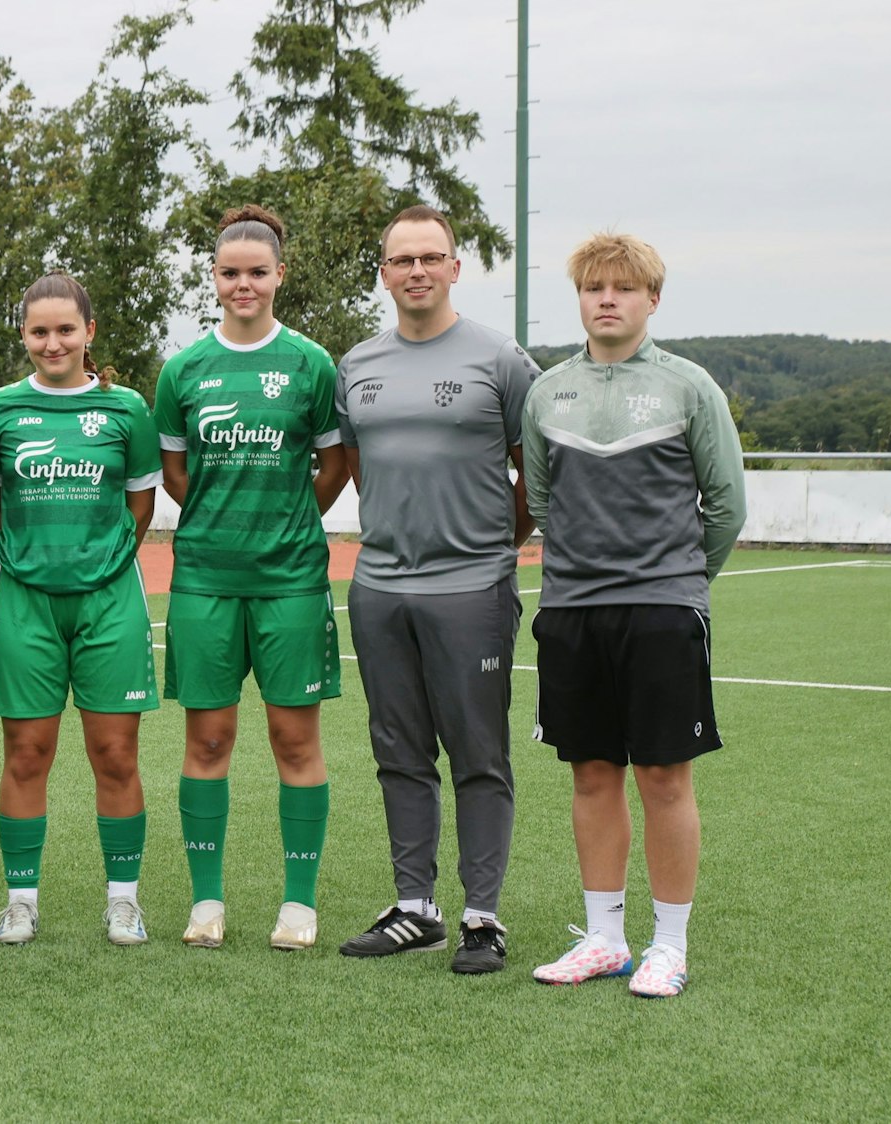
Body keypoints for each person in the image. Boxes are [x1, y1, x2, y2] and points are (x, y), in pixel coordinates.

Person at [523, 233, 744, 999]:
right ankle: (605, 940)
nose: (607, 299)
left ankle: (669, 946)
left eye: (623, 288)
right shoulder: (548, 392)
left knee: (662, 777)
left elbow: (726, 507)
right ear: (580, 298)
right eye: (594, 288)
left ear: (653, 298)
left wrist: (678, 581)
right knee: (591, 773)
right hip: (573, 612)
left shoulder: (689, 387)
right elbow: (546, 501)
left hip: (661, 611)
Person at [334, 204, 540, 974]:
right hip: (380, 586)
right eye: (401, 259)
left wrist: (493, 545)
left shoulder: (502, 358)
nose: (416, 270)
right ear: (384, 274)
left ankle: (481, 916)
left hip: (473, 587)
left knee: (477, 752)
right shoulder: (356, 365)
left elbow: (535, 471)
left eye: (431, 257)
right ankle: (413, 908)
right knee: (397, 749)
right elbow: (364, 469)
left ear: (456, 267)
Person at [154, 206, 350, 951]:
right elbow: (175, 473)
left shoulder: (311, 364)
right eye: (230, 272)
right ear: (214, 277)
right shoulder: (184, 370)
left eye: (257, 272)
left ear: (279, 276)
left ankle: (298, 905)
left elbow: (333, 468)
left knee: (294, 740)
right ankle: (207, 903)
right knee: (207, 741)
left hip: (292, 580)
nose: (244, 284)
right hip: (204, 577)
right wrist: (226, 519)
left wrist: (287, 519)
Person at [0, 272, 162, 947]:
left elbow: (140, 504)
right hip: (24, 599)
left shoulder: (126, 410)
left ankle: (123, 901)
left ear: (89, 332)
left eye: (65, 329)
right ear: (24, 335)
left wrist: (103, 558)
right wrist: (23, 558)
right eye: (38, 330)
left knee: (114, 753)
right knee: (27, 752)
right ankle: (20, 902)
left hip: (109, 599)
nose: (52, 342)